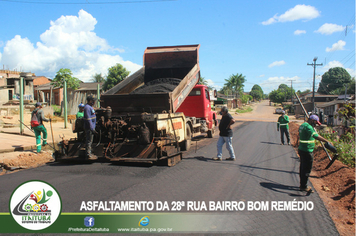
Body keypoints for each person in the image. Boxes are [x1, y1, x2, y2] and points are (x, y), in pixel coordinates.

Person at [298, 115, 330, 192]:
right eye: (315, 122)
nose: (315, 124)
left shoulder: (303, 125)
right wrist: (326, 141)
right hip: (307, 150)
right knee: (307, 169)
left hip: (302, 149)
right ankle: (304, 186)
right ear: (312, 120)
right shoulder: (308, 127)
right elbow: (315, 136)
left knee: (302, 167)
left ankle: (302, 184)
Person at [84, 96, 98, 160]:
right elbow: (88, 119)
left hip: (91, 126)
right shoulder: (87, 108)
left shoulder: (90, 107)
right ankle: (88, 154)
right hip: (89, 127)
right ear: (90, 101)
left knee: (91, 140)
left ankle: (90, 153)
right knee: (89, 140)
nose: (94, 102)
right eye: (93, 101)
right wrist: (92, 128)